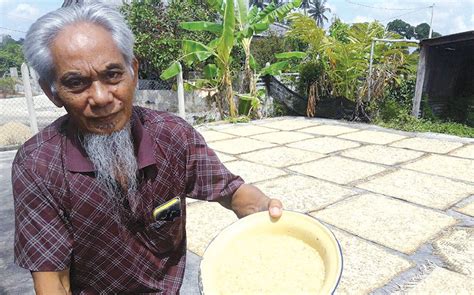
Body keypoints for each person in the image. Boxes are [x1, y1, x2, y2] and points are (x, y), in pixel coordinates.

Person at [12, 2, 282, 294]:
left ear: (134, 72)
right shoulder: (38, 165)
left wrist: (266, 210)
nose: (101, 97)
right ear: (51, 93)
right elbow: (53, 281)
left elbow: (231, 191)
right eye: (76, 83)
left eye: (113, 74)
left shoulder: (173, 136)